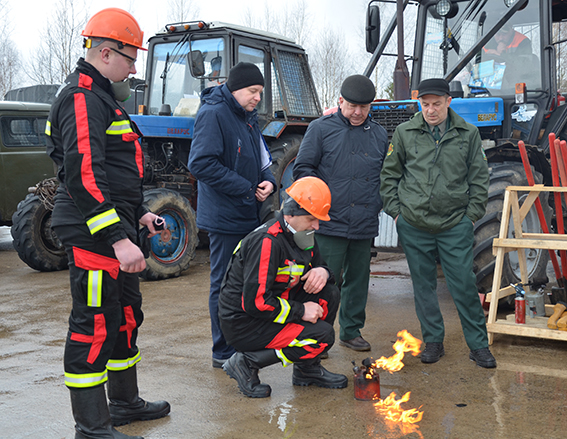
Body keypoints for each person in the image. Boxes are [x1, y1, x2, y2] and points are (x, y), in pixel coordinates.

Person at [46, 8, 170, 439]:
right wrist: (118, 238)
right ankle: (92, 427)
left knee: (124, 317)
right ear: (104, 51)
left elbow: (114, 177)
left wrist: (139, 214)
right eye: (130, 57)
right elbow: (83, 175)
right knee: (94, 323)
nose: (134, 68)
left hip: (112, 228)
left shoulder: (101, 99)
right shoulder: (81, 98)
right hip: (92, 234)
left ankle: (123, 403)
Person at [380, 78, 497, 368]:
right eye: (425, 104)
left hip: (454, 224)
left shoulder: (468, 134)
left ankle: (478, 345)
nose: (430, 110)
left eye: (436, 104)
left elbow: (479, 178)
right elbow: (389, 176)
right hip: (414, 224)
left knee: (464, 285)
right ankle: (433, 341)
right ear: (420, 103)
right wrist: (397, 214)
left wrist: (470, 217)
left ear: (448, 102)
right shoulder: (405, 133)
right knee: (423, 286)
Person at [218, 176, 348, 397]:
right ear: (290, 214)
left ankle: (307, 370)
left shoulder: (302, 233)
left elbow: (324, 271)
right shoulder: (267, 242)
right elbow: (256, 303)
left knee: (329, 293)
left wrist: (323, 272)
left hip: (272, 309)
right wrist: (301, 312)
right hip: (245, 323)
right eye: (311, 219)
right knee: (322, 336)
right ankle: (246, 362)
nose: (317, 225)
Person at [188, 62, 276, 369]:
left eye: (260, 93)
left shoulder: (248, 118)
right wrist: (246, 188)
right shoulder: (214, 115)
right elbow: (200, 163)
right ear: (236, 87)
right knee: (224, 283)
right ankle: (222, 350)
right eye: (253, 92)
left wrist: (268, 180)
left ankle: (241, 341)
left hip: (247, 211)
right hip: (225, 217)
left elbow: (263, 157)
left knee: (244, 282)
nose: (256, 98)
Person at [293, 75, 388, 352]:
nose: (357, 112)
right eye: (352, 106)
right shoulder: (320, 130)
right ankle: (315, 336)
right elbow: (304, 170)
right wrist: (315, 210)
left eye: (364, 107)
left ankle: (351, 330)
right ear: (340, 102)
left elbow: (385, 175)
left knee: (358, 282)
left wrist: (378, 203)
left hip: (364, 222)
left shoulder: (380, 135)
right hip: (329, 223)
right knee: (322, 282)